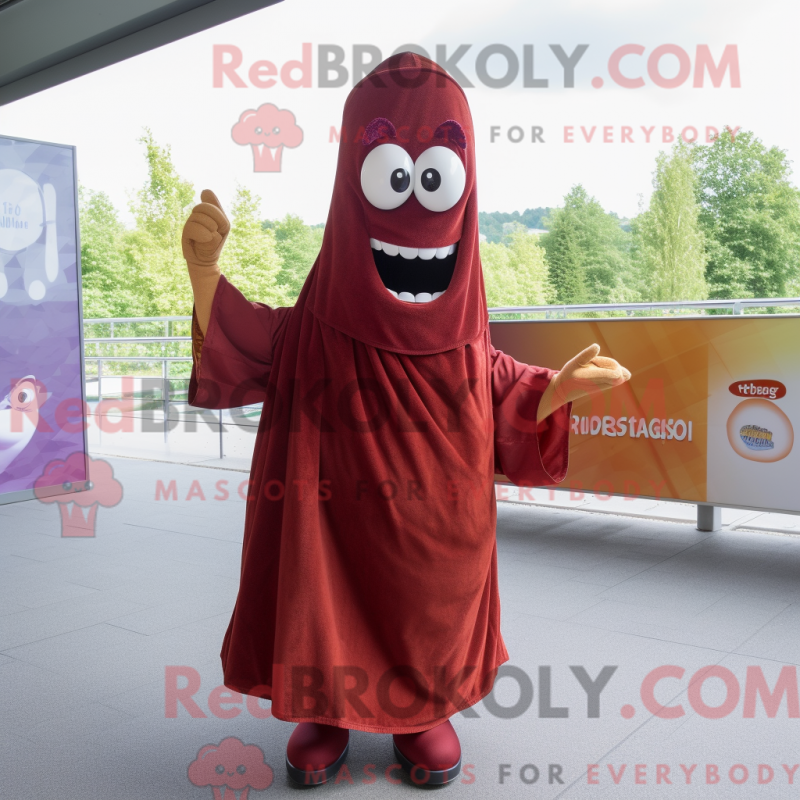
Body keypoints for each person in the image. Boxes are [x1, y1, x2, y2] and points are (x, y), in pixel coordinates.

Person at [182, 52, 631, 786]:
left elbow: (498, 382)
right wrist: (204, 273)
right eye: (391, 175)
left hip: (437, 514)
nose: (415, 201)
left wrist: (554, 392)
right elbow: (252, 339)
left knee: (429, 595)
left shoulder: (463, 338)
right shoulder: (316, 328)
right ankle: (324, 709)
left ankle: (422, 711)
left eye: (436, 178)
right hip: (330, 512)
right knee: (322, 588)